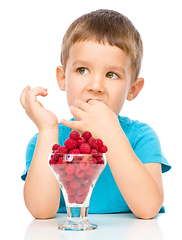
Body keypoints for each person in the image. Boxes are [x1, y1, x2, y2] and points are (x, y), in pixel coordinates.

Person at [20, 9, 171, 220]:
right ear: (62, 78)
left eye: (111, 74)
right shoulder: (45, 141)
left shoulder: (141, 138)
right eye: (82, 70)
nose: (96, 86)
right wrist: (47, 129)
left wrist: (110, 131)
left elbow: (148, 209)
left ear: (133, 89)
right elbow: (41, 212)